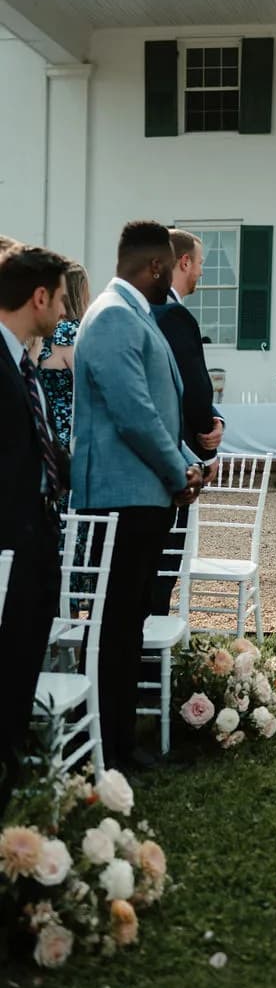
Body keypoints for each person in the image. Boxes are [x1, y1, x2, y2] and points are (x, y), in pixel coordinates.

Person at [72, 221, 203, 772]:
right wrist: (178, 471)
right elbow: (133, 415)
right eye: (167, 269)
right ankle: (111, 748)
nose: (170, 278)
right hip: (120, 501)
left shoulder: (134, 316)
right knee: (116, 628)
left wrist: (188, 465)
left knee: (129, 627)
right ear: (153, 267)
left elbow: (156, 410)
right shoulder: (111, 318)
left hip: (142, 497)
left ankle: (123, 741)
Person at [0, 244, 70, 808]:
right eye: (62, 296)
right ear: (38, 297)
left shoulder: (25, 361)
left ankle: (14, 761)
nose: (66, 308)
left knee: (25, 661)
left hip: (37, 542)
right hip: (10, 547)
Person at [150, 230, 223, 616]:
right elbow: (192, 389)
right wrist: (206, 452)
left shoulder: (144, 308)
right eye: (199, 264)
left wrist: (216, 416)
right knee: (163, 565)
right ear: (183, 263)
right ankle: (153, 653)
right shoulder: (173, 314)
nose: (201, 273)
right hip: (172, 457)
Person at [36, 260, 90, 455]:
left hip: (45, 429)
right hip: (69, 434)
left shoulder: (44, 332)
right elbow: (87, 384)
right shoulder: (72, 333)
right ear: (81, 292)